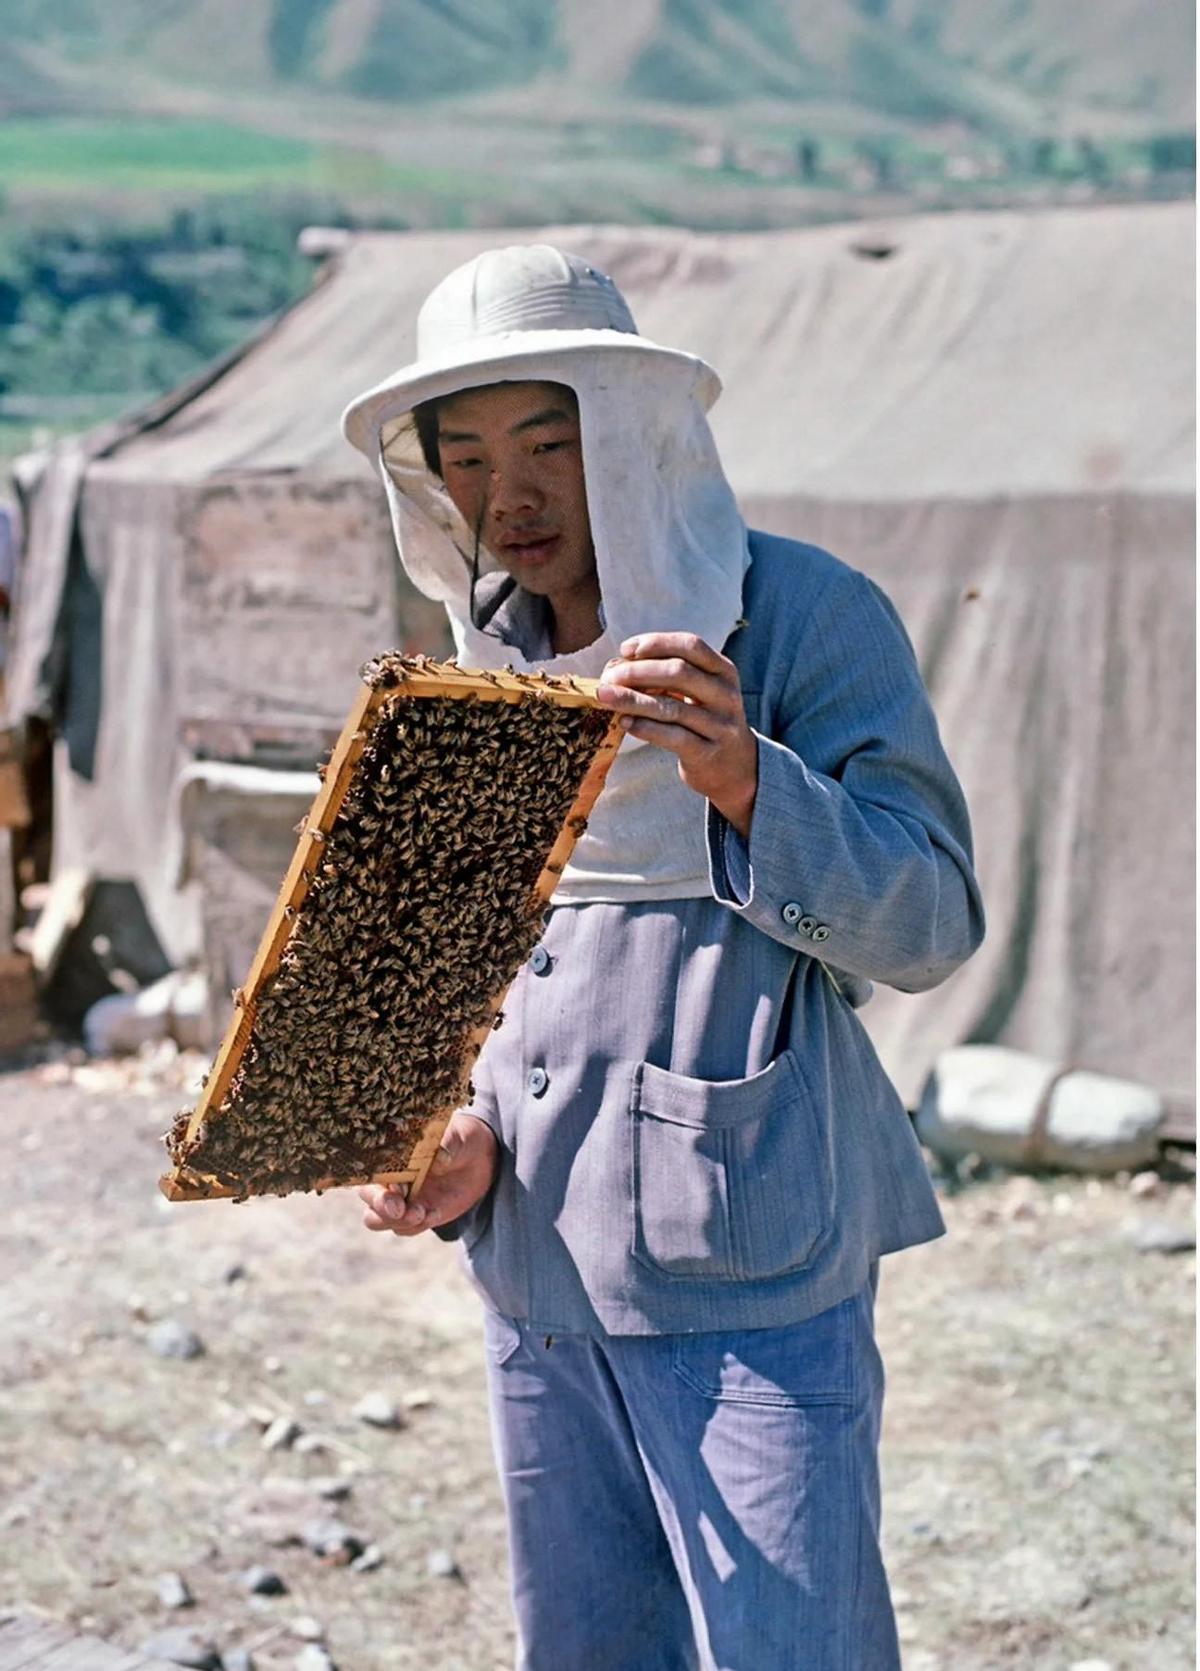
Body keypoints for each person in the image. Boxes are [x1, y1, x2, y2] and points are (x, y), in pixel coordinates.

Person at [342, 246, 984, 1671]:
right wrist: (454, 1129)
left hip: (751, 1261)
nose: (507, 495)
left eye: (550, 444)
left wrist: (751, 782)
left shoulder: (804, 615)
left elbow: (933, 925)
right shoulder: (473, 670)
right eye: (466, 458)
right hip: (532, 1279)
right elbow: (467, 984)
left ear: (632, 437)